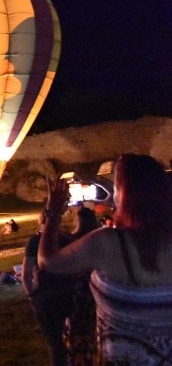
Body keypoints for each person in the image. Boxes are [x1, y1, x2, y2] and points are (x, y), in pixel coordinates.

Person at [38, 154, 172, 365]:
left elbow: (48, 261)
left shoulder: (107, 243)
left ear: (125, 194)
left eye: (116, 186)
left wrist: (53, 212)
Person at [23, 212, 73, 366]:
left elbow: (26, 274)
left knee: (54, 342)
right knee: (72, 338)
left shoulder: (34, 241)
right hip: (67, 293)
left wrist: (31, 296)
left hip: (45, 296)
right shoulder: (65, 239)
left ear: (41, 221)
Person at [64, 206, 99, 366]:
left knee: (76, 326)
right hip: (95, 288)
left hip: (75, 290)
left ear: (77, 221)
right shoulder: (99, 239)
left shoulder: (69, 241)